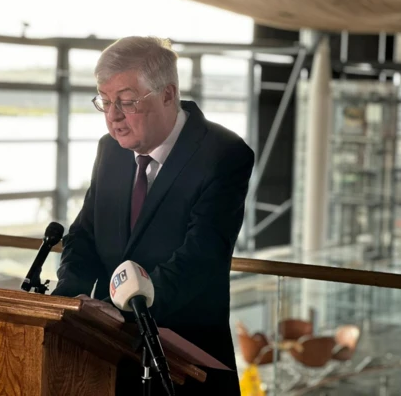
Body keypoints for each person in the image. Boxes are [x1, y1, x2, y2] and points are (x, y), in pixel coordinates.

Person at [52, 36, 254, 395]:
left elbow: (201, 258)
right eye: (106, 100)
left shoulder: (224, 154)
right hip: (107, 358)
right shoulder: (110, 150)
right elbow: (84, 235)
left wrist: (127, 314)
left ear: (167, 94)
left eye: (127, 101)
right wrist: (71, 303)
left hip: (186, 366)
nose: (113, 115)